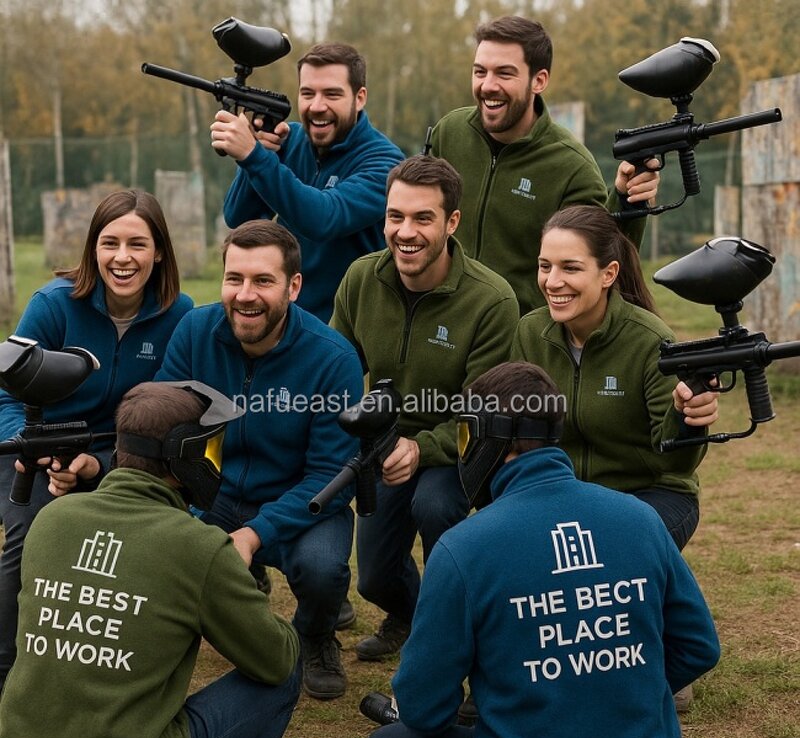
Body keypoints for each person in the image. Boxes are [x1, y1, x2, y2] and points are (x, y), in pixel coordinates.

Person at [360, 361, 721, 738]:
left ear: (485, 437)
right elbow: (699, 645)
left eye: (464, 435)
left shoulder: (464, 548)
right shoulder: (640, 519)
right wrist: (612, 694)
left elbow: (423, 708)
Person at [0, 381, 300, 738]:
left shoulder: (52, 519)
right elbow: (275, 660)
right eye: (210, 449)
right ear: (186, 456)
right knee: (290, 667)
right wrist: (230, 580)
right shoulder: (197, 545)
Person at [154, 219, 363, 701]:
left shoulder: (333, 359)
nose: (245, 295)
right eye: (235, 278)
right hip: (213, 492)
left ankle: (314, 635)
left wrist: (255, 533)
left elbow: (332, 474)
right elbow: (163, 423)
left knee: (323, 567)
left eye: (263, 281)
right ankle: (179, 625)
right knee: (158, 540)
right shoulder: (194, 331)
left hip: (300, 499)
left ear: (293, 287)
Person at [0, 189, 193, 694]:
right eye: (109, 243)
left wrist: (96, 465)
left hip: (125, 459)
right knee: (29, 539)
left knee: (143, 548)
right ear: (92, 249)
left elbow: (166, 414)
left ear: (159, 252)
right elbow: (4, 398)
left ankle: (124, 675)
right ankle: (4, 672)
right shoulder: (53, 305)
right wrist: (36, 452)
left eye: (137, 244)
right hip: (33, 452)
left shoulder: (180, 315)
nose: (122, 258)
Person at [330, 155, 519, 661]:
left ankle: (452, 635)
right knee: (371, 577)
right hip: (382, 443)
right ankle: (412, 615)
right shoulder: (360, 279)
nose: (404, 232)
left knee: (434, 505)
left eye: (422, 218)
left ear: (451, 222)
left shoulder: (491, 300)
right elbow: (336, 369)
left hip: (458, 447)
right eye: (396, 217)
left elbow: (482, 413)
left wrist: (421, 446)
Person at [510, 204, 719, 552]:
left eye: (570, 268)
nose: (552, 281)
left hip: (650, 494)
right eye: (545, 266)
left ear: (608, 274)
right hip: (561, 492)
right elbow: (519, 432)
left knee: (604, 554)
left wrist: (687, 420)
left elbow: (676, 463)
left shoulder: (650, 339)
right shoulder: (529, 332)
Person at [430, 15, 661, 315]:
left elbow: (599, 260)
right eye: (480, 71)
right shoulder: (449, 132)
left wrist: (626, 199)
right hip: (442, 325)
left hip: (519, 342)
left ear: (539, 80)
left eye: (504, 73)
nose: (488, 85)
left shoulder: (570, 167)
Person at [211, 42, 405, 324]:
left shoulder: (385, 162)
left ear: (359, 97)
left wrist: (254, 157)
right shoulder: (289, 140)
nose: (317, 106)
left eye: (332, 94)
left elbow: (325, 218)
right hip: (283, 321)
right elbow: (238, 217)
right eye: (307, 93)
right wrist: (258, 154)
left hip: (348, 329)